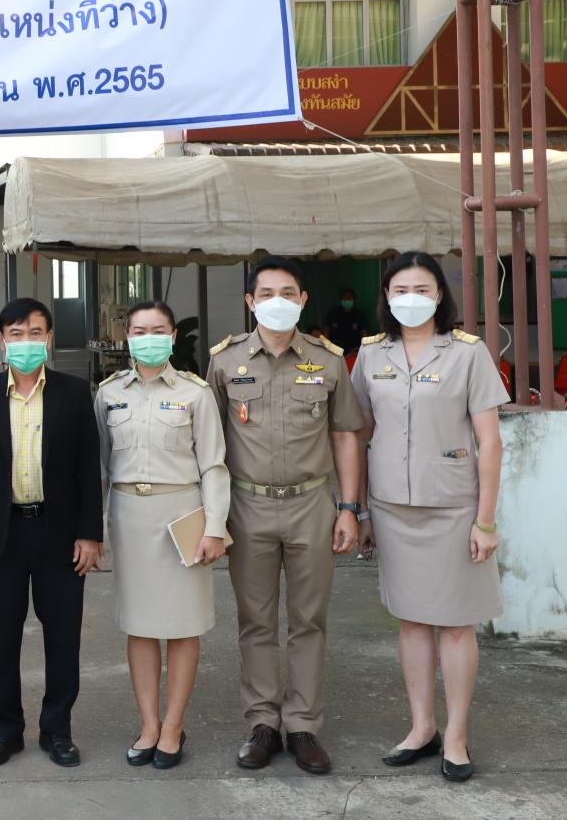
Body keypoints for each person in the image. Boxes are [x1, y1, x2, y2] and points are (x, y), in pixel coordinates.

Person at [351, 251, 509, 784]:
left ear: (440, 295)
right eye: (400, 289)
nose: (411, 298)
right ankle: (422, 727)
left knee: (457, 623)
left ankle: (457, 735)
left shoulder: (468, 352)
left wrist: (485, 520)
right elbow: (359, 433)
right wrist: (361, 509)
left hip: (454, 507)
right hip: (392, 507)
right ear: (387, 297)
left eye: (422, 289)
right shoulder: (370, 354)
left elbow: (490, 441)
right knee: (412, 619)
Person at [207, 256, 364, 775]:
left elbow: (345, 435)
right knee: (254, 621)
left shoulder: (328, 360)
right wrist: (212, 517)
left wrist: (348, 508)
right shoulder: (225, 361)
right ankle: (262, 724)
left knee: (308, 621)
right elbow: (209, 443)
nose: (277, 302)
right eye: (266, 293)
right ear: (250, 302)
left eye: (288, 293)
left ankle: (302, 726)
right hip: (246, 506)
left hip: (311, 505)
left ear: (303, 300)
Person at [0, 298, 101, 769]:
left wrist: (90, 533)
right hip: (0, 535)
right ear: (1, 341)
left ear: (49, 339)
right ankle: (3, 732)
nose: (27, 342)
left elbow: (88, 467)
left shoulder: (73, 392)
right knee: (0, 639)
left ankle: (57, 730)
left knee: (62, 637)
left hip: (58, 534)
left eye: (36, 333)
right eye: (17, 334)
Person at [97, 300, 229, 772]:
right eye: (139, 330)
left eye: (157, 330)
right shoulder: (108, 393)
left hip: (182, 515)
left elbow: (214, 465)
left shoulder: (196, 393)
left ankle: (173, 726)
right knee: (139, 625)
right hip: (129, 515)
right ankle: (149, 724)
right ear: (126, 336)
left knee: (182, 624)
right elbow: (99, 467)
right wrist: (94, 529)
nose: (147, 338)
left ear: (172, 337)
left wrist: (215, 527)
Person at [322, 287, 372, 357]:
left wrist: (362, 349)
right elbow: (326, 330)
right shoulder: (333, 313)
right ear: (341, 299)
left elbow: (364, 333)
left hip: (354, 350)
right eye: (344, 298)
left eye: (349, 298)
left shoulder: (359, 315)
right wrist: (326, 346)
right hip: (335, 350)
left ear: (353, 299)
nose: (347, 300)